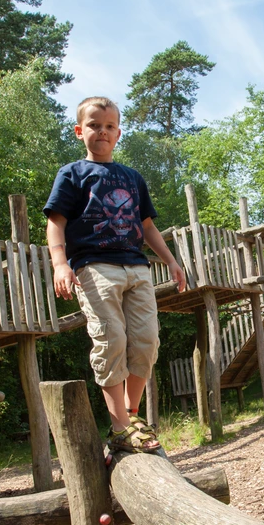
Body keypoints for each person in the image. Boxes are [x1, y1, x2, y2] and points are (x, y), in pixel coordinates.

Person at [45, 96, 186, 453]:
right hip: (94, 266)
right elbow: (55, 222)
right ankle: (120, 425)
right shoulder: (72, 173)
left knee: (147, 340)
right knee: (112, 339)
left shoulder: (132, 178)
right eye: (94, 125)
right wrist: (60, 263)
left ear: (118, 133)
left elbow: (148, 226)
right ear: (80, 131)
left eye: (109, 126)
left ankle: (132, 413)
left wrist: (170, 260)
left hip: (137, 266)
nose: (102, 132)